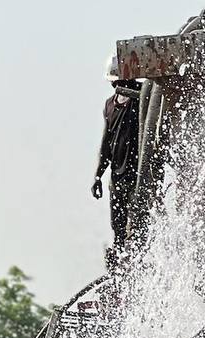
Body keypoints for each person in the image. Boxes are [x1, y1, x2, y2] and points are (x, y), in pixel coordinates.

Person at [92, 56, 142, 248]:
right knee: (118, 228)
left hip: (137, 175)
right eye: (116, 83)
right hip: (117, 176)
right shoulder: (110, 105)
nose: (119, 86)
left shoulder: (142, 98)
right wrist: (98, 176)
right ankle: (120, 261)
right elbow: (106, 143)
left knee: (138, 227)